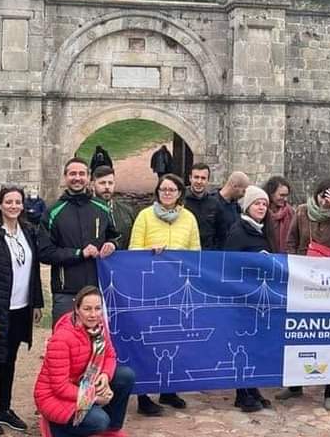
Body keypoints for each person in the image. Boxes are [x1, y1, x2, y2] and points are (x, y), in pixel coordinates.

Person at [0, 185, 44, 437]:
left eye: (18, 202)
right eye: (9, 202)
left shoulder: (27, 232)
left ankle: (4, 409)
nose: (13, 206)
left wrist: (36, 302)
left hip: (20, 308)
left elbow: (32, 270)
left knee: (10, 360)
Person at [129, 173, 201, 415]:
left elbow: (196, 251)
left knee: (175, 340)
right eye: (163, 189)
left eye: (172, 189)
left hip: (177, 287)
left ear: (180, 193)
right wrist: (149, 251)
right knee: (148, 340)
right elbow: (132, 249)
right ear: (157, 192)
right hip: (149, 288)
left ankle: (169, 389)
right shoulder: (145, 216)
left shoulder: (189, 219)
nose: (167, 193)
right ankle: (144, 395)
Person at [281, 178, 330, 409]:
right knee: (300, 331)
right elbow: (291, 240)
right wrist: (296, 266)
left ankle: (329, 389)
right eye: (324, 196)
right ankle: (295, 384)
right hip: (304, 279)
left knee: (329, 333)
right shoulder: (303, 212)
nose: (326, 201)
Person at [33, 286, 136, 437]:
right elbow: (59, 387)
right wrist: (94, 397)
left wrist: (105, 376)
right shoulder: (62, 338)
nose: (93, 314)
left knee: (126, 375)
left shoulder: (99, 327)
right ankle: (56, 431)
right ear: (77, 309)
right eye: (87, 309)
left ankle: (111, 428)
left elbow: (110, 356)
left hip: (85, 381)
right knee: (99, 421)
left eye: (97, 308)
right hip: (53, 395)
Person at [37, 158, 119, 325]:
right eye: (72, 174)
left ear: (88, 177)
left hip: (97, 288)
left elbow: (116, 236)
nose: (77, 178)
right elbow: (45, 252)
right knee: (65, 341)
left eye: (82, 173)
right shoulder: (53, 212)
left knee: (97, 343)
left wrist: (113, 244)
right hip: (67, 291)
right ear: (65, 177)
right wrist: (79, 253)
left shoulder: (102, 208)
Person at [223, 185, 274, 412]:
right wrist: (255, 260)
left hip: (257, 297)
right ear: (248, 206)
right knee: (241, 345)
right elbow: (231, 264)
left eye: (264, 204)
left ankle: (252, 387)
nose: (261, 207)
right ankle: (241, 393)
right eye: (257, 203)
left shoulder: (261, 230)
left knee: (253, 345)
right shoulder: (239, 230)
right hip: (241, 297)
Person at [183, 162, 229, 249]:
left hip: (207, 254)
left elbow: (222, 234)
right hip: (186, 252)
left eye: (203, 178)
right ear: (190, 178)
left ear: (208, 180)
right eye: (196, 177)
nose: (199, 181)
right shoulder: (180, 201)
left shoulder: (215, 204)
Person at [92, 166, 136, 250]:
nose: (107, 187)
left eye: (110, 183)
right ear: (92, 185)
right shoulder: (85, 211)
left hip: (122, 259)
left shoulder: (127, 211)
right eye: (102, 183)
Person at [214, 171, 251, 243]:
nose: (244, 195)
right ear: (234, 186)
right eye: (243, 191)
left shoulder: (236, 207)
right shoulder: (212, 203)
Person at [262, 176, 295, 254]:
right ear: (271, 193)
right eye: (282, 195)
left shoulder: (290, 212)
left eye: (286, 195)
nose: (285, 199)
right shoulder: (261, 212)